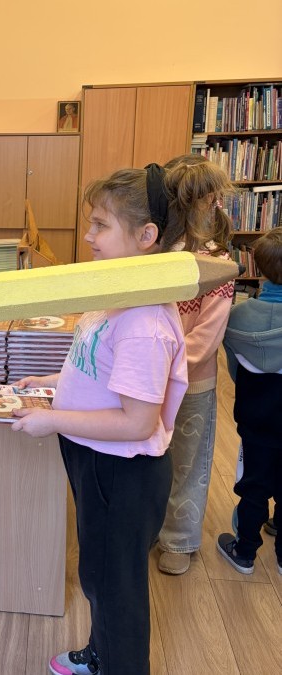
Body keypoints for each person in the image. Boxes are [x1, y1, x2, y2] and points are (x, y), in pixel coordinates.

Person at [12, 164, 195, 675]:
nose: (88, 236)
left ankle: (119, 664)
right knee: (99, 573)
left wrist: (53, 420)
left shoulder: (144, 322)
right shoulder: (119, 298)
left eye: (100, 225)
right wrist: (52, 381)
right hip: (97, 459)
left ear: (146, 236)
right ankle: (101, 655)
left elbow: (137, 422)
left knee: (117, 589)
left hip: (123, 471)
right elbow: (98, 364)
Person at [156, 154, 235, 575]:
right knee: (151, 456)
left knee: (188, 461)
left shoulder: (217, 261)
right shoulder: (154, 252)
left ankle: (179, 539)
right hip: (148, 378)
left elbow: (206, 337)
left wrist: (162, 366)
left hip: (191, 382)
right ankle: (151, 528)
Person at [218, 226, 282, 575]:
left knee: (253, 485)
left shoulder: (237, 318)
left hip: (255, 418)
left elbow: (234, 370)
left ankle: (244, 552)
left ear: (259, 266)